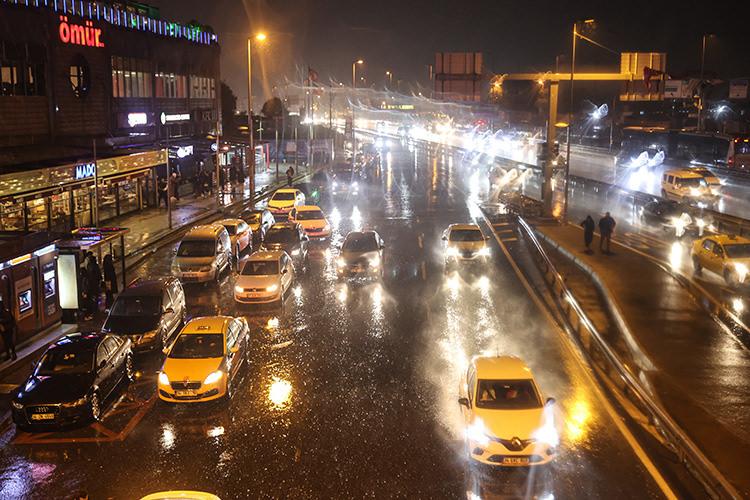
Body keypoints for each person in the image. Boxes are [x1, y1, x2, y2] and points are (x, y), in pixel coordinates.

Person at [85, 252, 102, 318]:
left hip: (91, 284)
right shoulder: (95, 266)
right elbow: (98, 275)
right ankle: (95, 308)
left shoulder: (89, 266)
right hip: (95, 284)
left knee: (92, 297)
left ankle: (93, 308)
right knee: (95, 296)